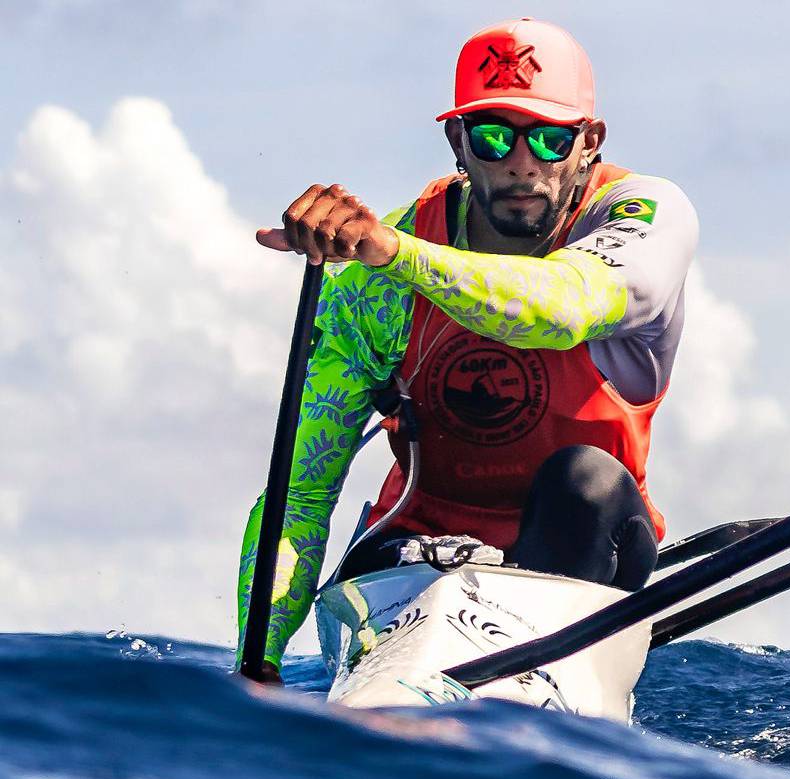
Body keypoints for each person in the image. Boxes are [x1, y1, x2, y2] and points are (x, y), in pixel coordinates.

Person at [236, 17, 697, 683]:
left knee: (584, 482)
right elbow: (300, 498)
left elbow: (563, 305)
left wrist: (396, 255)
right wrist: (261, 668)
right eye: (492, 136)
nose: (520, 163)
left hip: (586, 549)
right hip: (414, 563)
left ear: (588, 142)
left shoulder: (643, 215)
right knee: (369, 550)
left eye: (548, 138)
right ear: (457, 140)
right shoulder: (372, 283)